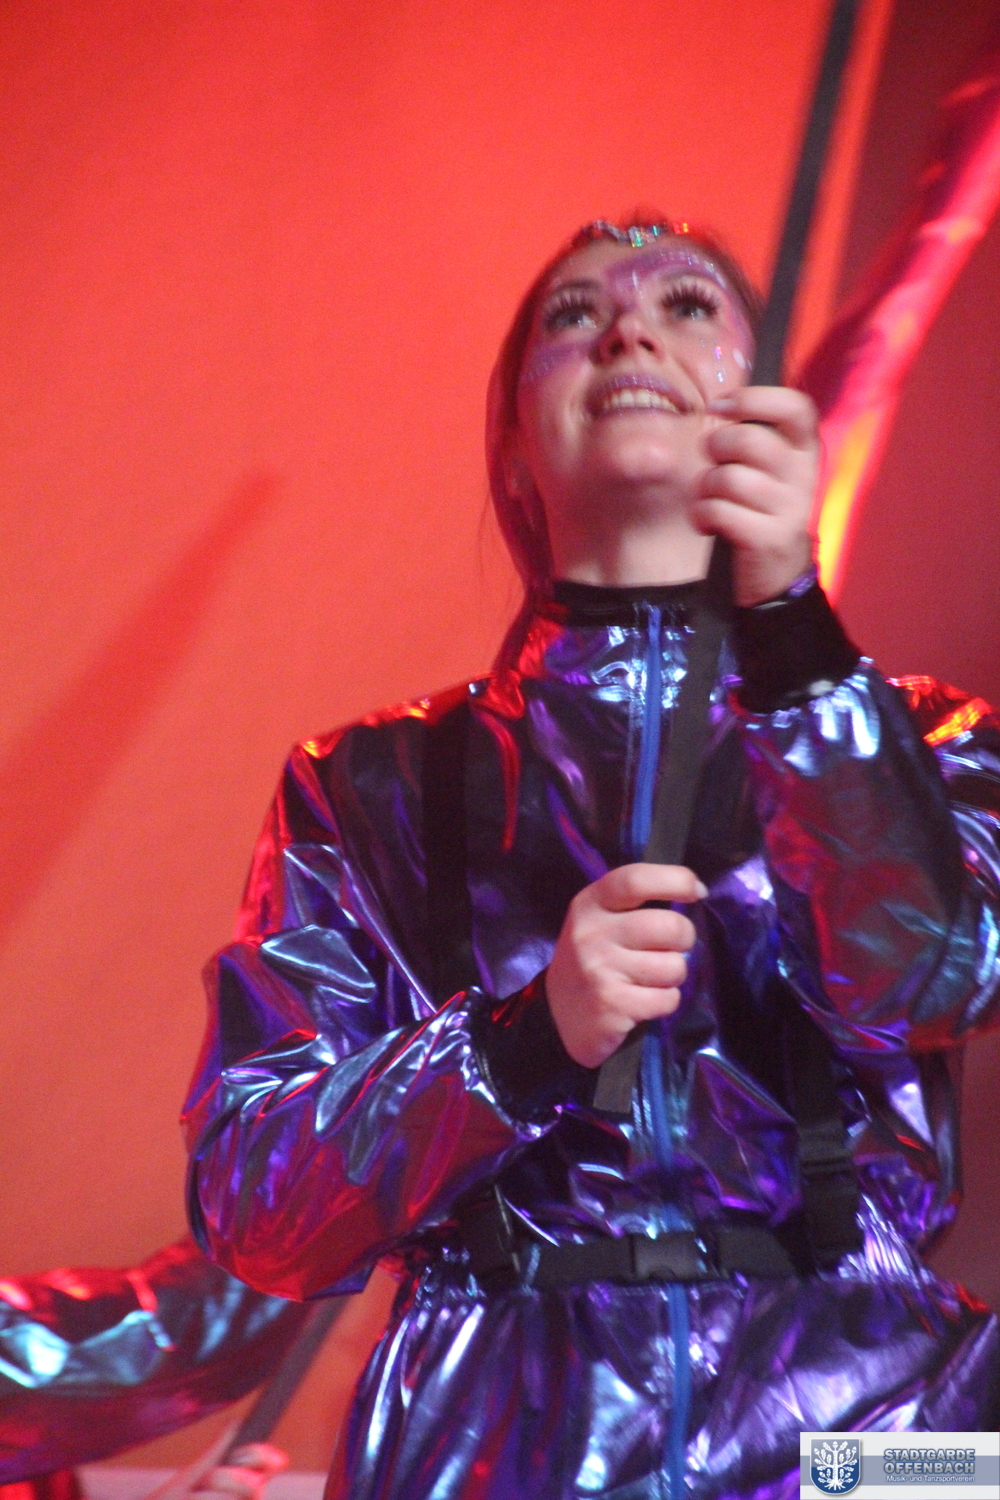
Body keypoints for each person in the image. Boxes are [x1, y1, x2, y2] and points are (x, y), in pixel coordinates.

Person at [182, 216, 1000, 1500]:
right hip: (498, 1443)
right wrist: (518, 1046)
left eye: (687, 306)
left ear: (765, 412)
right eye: (573, 316)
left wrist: (793, 636)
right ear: (512, 449)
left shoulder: (923, 737)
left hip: (874, 1441)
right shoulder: (364, 784)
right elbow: (254, 1207)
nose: (627, 329)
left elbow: (935, 984)